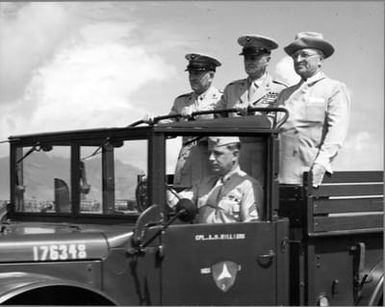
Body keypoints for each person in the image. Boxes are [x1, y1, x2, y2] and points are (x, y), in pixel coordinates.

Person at [275, 32, 351, 187]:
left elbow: (337, 132)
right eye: (295, 56)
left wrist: (321, 164)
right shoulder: (285, 94)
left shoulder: (334, 88)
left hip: (311, 177)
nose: (298, 60)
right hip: (280, 177)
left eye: (304, 55)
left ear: (320, 59)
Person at [216, 34, 287, 187]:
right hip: (233, 157)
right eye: (246, 58)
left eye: (254, 58)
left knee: (258, 202)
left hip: (263, 157)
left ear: (267, 59)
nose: (249, 62)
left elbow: (277, 121)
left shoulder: (280, 90)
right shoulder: (232, 89)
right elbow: (216, 117)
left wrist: (252, 115)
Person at [170, 137, 263, 224]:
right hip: (200, 238)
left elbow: (251, 228)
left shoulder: (248, 186)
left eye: (218, 154)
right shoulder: (204, 184)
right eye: (210, 153)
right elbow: (178, 202)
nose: (211, 158)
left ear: (235, 155)